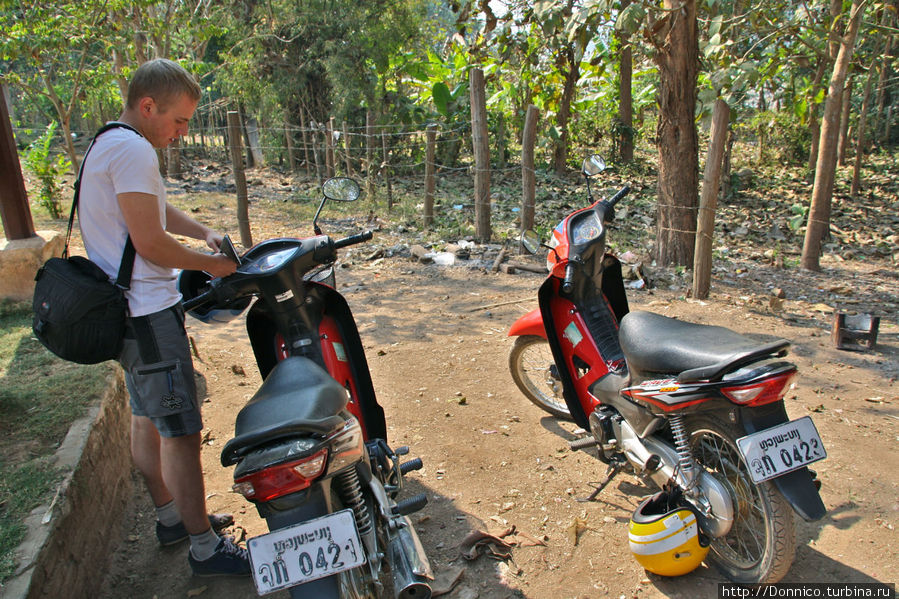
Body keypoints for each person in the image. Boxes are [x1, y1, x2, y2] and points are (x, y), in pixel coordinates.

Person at [78, 58, 250, 577]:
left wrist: (201, 232)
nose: (182, 133)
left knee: (144, 417)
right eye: (178, 121)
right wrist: (214, 265)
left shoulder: (111, 141)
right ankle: (204, 549)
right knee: (179, 430)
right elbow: (151, 243)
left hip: (129, 313)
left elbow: (149, 212)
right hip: (147, 314)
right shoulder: (132, 150)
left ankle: (172, 518)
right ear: (148, 106)